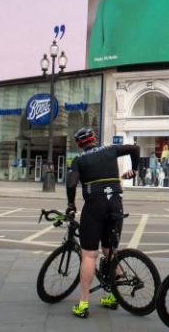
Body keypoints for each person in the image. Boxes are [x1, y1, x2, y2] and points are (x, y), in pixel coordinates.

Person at [65, 127, 139, 318]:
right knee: (109, 251)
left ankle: (83, 305)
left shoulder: (79, 160)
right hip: (115, 204)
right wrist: (135, 170)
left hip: (94, 207)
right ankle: (114, 297)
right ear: (94, 139)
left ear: (79, 144)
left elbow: (71, 183)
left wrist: (71, 204)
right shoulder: (110, 150)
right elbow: (134, 149)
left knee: (89, 255)